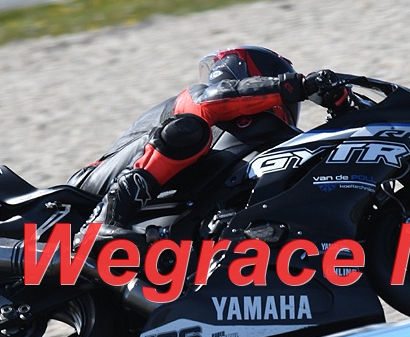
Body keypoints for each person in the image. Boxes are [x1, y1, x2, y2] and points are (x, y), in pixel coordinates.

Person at [69, 46, 350, 252]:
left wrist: (342, 109)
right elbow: (215, 99)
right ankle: (105, 221)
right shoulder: (196, 100)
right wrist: (297, 85)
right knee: (189, 129)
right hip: (91, 187)